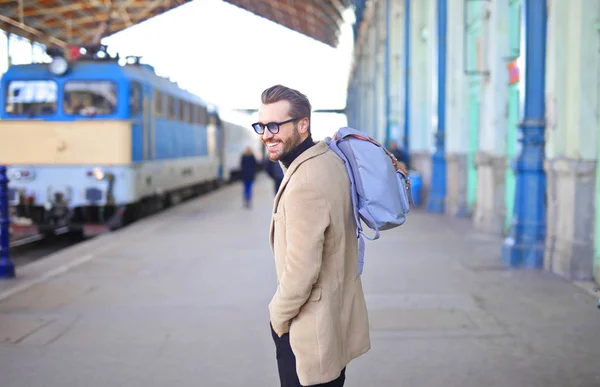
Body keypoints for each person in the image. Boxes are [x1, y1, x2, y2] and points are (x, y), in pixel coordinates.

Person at [252, 85, 370, 387]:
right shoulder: (329, 161)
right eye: (262, 126)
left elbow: (302, 270)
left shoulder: (305, 181)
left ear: (303, 124)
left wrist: (277, 318)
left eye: (275, 125)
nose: (266, 134)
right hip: (333, 321)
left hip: (309, 331)